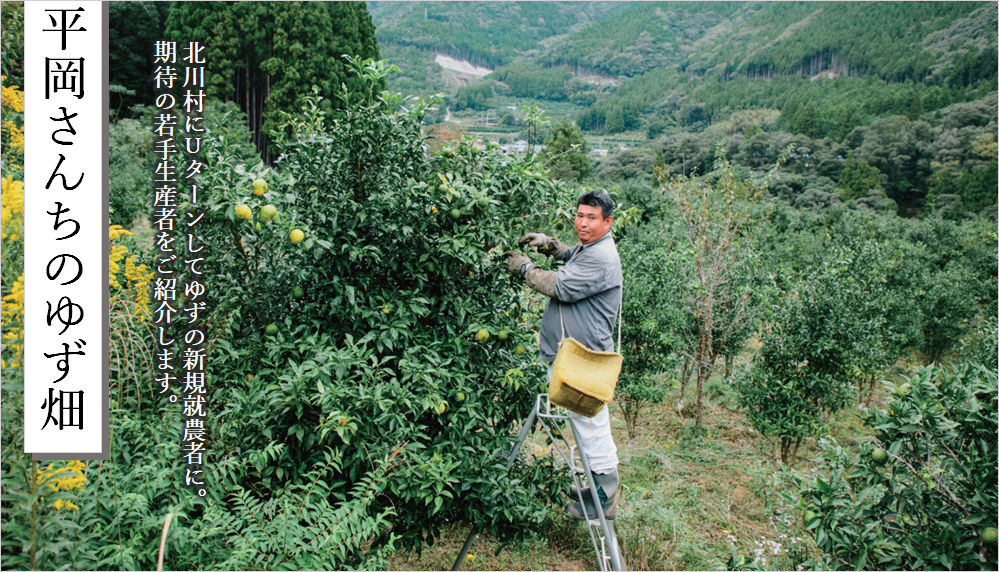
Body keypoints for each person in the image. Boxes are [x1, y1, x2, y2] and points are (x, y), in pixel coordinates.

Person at [506, 190, 622, 520]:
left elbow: (560, 286)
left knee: (590, 424)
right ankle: (596, 489)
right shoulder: (592, 249)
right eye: (580, 215)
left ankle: (605, 495)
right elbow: (574, 255)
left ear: (607, 222)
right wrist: (552, 246)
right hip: (574, 354)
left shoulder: (602, 257)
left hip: (584, 357)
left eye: (592, 218)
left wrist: (524, 268)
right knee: (584, 421)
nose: (583, 223)